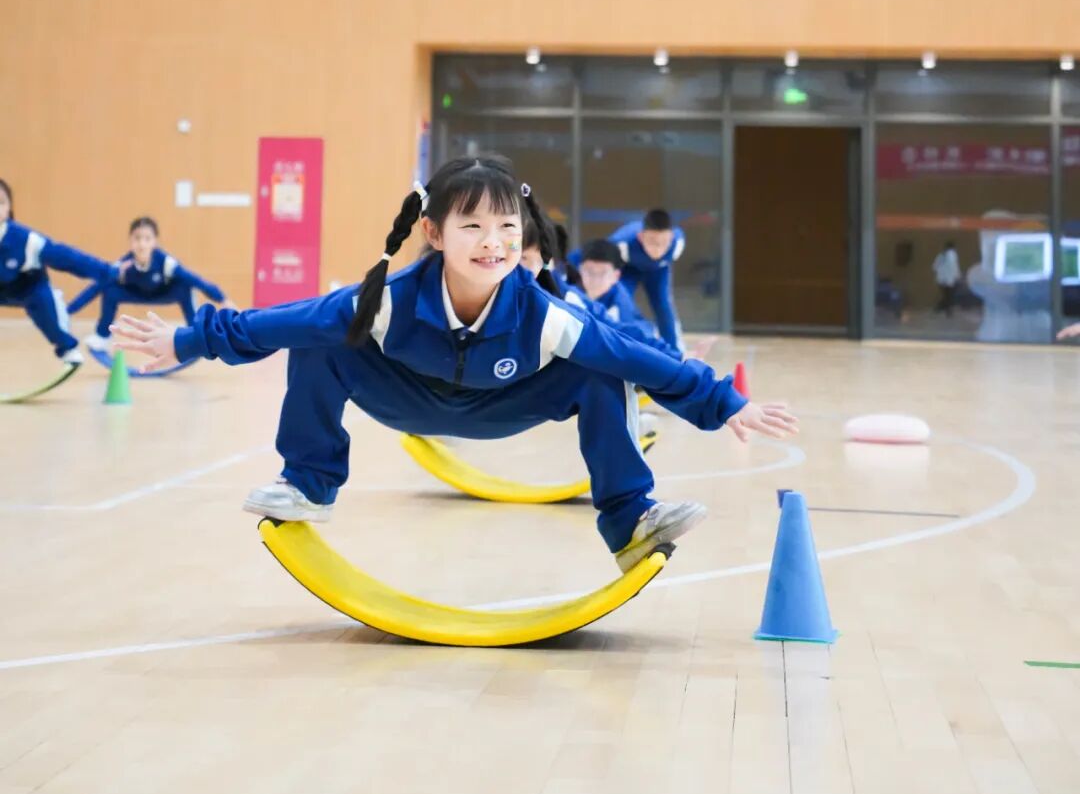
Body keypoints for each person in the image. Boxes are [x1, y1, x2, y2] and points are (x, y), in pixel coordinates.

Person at [114, 155, 797, 573]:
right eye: (472, 226)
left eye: (507, 228)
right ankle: (309, 484)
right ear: (434, 233)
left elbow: (637, 355)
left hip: (507, 406)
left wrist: (724, 401)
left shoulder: (543, 313)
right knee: (320, 337)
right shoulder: (390, 298)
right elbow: (283, 319)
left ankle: (629, 522)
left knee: (602, 368)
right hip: (405, 399)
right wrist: (188, 341)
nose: (492, 243)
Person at [68, 215, 226, 358]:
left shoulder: (166, 262)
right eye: (137, 238)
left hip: (163, 294)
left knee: (186, 286)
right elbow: (96, 287)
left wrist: (221, 298)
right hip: (135, 294)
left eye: (147, 239)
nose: (142, 244)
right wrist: (69, 311)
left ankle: (194, 335)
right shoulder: (123, 265)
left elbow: (196, 280)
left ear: (155, 242)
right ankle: (102, 337)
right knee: (109, 289)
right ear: (130, 241)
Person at [0, 176, 114, 367]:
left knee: (46, 311)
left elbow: (67, 257)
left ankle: (67, 348)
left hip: (28, 287)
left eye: (1, 202)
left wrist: (106, 270)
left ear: (9, 209)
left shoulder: (26, 240)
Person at [606, 208, 685, 350]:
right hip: (627, 269)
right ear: (641, 237)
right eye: (653, 242)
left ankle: (673, 351)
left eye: (664, 242)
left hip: (658, 270)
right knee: (623, 303)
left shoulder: (678, 243)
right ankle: (625, 346)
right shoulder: (621, 243)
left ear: (671, 237)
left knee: (663, 305)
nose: (658, 249)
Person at [932, 240, 962, 317]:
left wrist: (941, 272)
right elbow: (954, 266)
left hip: (941, 280)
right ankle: (945, 310)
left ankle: (941, 309)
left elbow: (934, 267)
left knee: (946, 295)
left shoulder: (940, 255)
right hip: (950, 279)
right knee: (950, 296)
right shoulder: (953, 254)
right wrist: (958, 276)